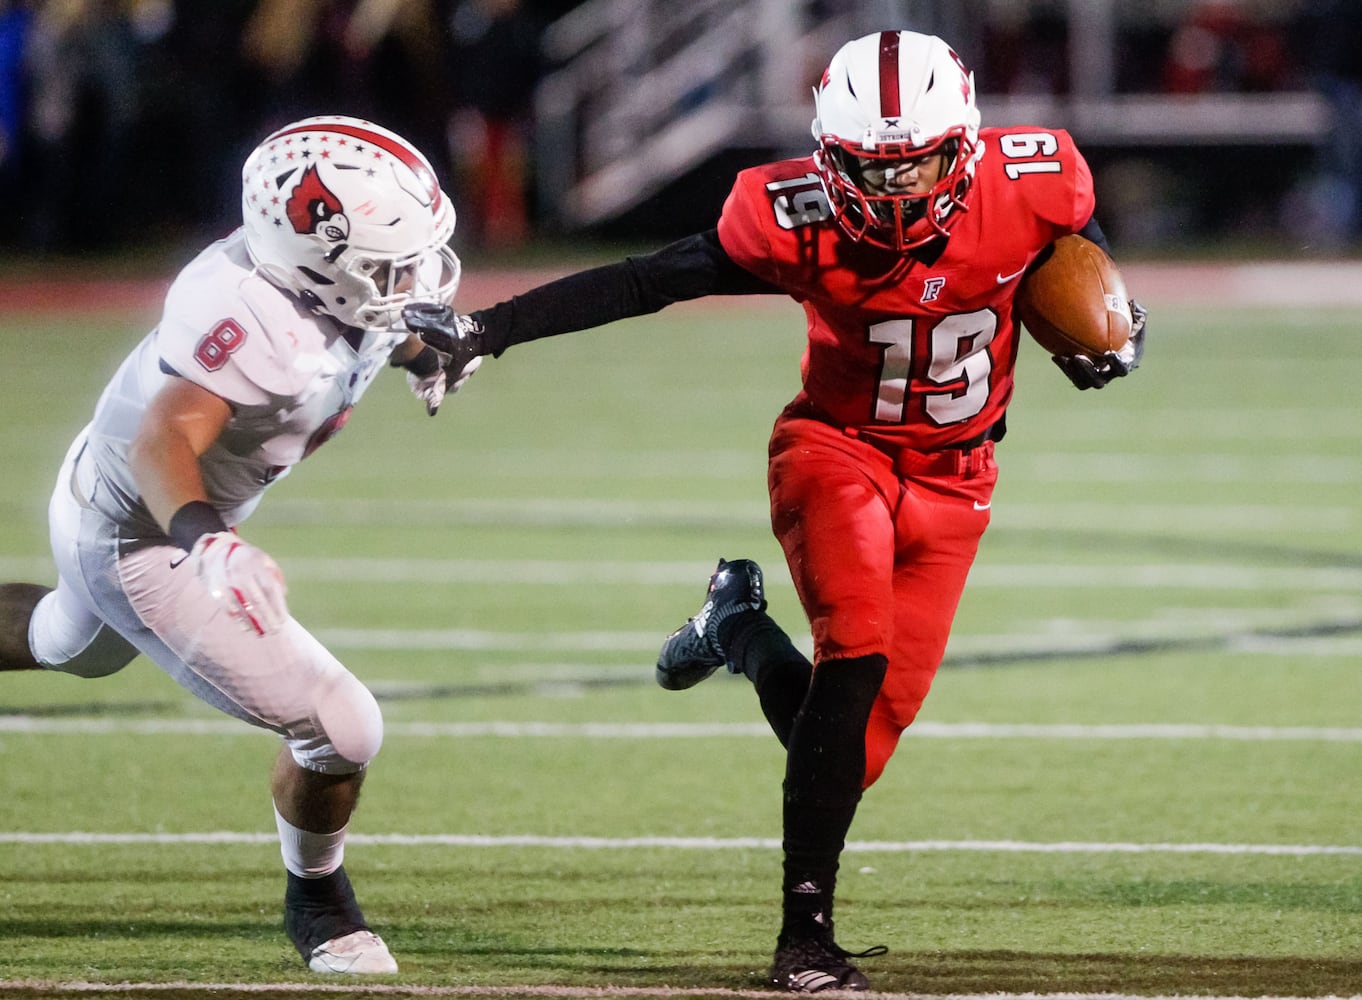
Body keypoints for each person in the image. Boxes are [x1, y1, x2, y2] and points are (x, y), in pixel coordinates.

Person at [405, 30, 1146, 993]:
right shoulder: (789, 218)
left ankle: (737, 627)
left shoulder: (1039, 180)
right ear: (828, 158)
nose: (892, 193)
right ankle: (805, 940)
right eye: (868, 171)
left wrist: (1106, 331)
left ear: (961, 149)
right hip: (836, 453)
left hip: (959, 478)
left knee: (852, 753)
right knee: (853, 666)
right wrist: (490, 330)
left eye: (914, 166)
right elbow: (644, 280)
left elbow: (1070, 253)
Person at [0, 115, 476, 974]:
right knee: (343, 726)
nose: (413, 278)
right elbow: (162, 444)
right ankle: (320, 901)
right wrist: (206, 543)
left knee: (66, 643)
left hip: (115, 500)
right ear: (315, 263)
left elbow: (376, 321)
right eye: (388, 264)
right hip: (145, 530)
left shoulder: (326, 282)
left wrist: (418, 352)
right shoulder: (249, 315)